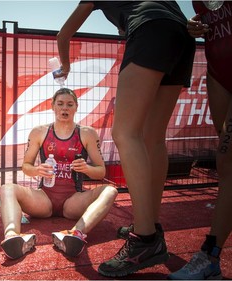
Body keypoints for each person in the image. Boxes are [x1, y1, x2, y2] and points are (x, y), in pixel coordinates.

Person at [56, 1, 196, 277]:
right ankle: (149, 224)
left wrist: (65, 64)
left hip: (150, 31)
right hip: (181, 35)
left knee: (125, 133)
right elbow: (176, 14)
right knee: (153, 137)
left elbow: (63, 34)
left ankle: (145, 239)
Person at [0, 87, 118, 260]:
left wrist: (86, 168)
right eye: (60, 104)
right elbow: (26, 166)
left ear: (76, 107)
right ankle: (12, 236)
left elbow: (101, 172)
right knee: (6, 188)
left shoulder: (87, 133)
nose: (64, 108)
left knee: (110, 190)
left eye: (70, 104)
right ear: (52, 106)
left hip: (73, 201)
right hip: (44, 199)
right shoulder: (39, 132)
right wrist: (37, 170)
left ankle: (76, 234)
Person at [168, 1, 232, 279]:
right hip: (217, 69)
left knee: (227, 158)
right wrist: (196, 22)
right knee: (228, 163)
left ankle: (210, 256)